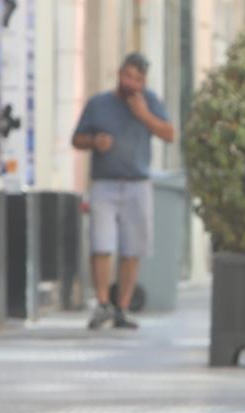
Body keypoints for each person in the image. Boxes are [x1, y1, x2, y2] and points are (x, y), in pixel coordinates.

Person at [72, 52, 174, 330]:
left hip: (138, 184)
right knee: (101, 245)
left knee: (133, 249)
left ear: (143, 81)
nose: (131, 83)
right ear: (119, 74)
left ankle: (122, 307)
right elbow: (77, 139)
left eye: (137, 79)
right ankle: (103, 303)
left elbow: (169, 134)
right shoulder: (99, 104)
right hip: (105, 183)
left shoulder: (150, 102)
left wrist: (144, 115)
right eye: (127, 76)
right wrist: (94, 141)